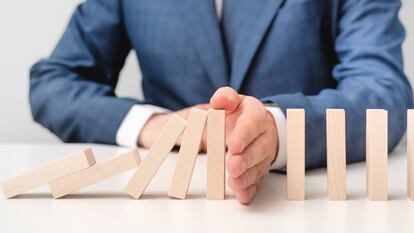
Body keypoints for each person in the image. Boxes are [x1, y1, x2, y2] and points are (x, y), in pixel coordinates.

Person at [29, 0, 413, 204]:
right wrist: (157, 126)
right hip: (167, 206)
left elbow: (384, 90)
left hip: (306, 206)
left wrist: (278, 129)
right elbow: (54, 82)